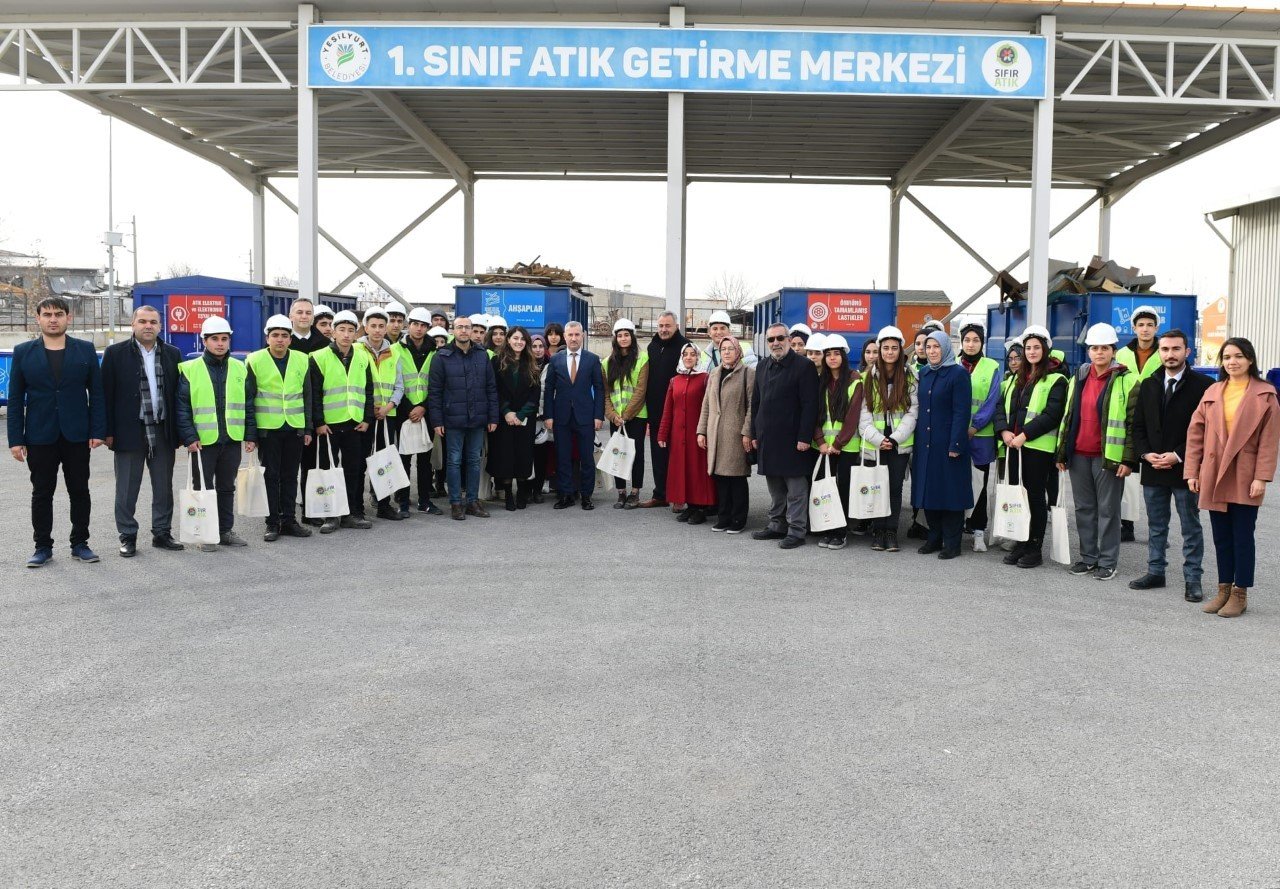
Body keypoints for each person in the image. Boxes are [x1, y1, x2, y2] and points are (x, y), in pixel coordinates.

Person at [1185, 337, 1280, 619]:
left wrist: (1261, 477)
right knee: (1221, 537)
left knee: (1242, 536)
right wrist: (1192, 470)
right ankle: (1224, 589)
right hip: (1214, 472)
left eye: (1238, 356)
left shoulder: (1266, 395)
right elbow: (1195, 434)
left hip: (1245, 473)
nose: (1232, 362)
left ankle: (1240, 592)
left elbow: (1269, 441)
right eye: (1227, 357)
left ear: (1250, 359)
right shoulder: (1213, 391)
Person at [8, 296, 106, 567]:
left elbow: (96, 394)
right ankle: (42, 547)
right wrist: (15, 439)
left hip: (77, 434)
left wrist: (98, 430)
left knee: (79, 490)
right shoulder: (23, 352)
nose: (53, 319)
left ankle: (80, 543)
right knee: (41, 493)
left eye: (59, 314)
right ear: (37, 318)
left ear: (68, 318)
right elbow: (16, 399)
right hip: (39, 435)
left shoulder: (85, 350)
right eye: (47, 314)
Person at [1129, 329, 1214, 600]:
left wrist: (1177, 455)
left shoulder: (1202, 386)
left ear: (1187, 352)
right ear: (1159, 352)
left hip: (1185, 469)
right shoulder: (1150, 384)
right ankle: (1156, 572)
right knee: (1156, 526)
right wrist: (1146, 454)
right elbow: (1138, 426)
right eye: (1164, 349)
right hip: (1153, 468)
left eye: (1176, 349)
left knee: (1190, 526)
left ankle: (1193, 579)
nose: (1170, 354)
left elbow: (1207, 431)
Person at [1055, 322, 1139, 581]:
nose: (1099, 352)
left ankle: (1107, 561)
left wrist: (1128, 459)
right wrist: (1062, 452)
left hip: (1108, 457)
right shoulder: (1078, 377)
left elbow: (1134, 423)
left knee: (1108, 510)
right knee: (1084, 508)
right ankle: (1088, 558)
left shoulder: (1128, 380)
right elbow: (1068, 416)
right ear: (1088, 351)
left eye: (1104, 348)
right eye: (1094, 348)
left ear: (1113, 350)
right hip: (1079, 453)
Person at [101, 305, 184, 557]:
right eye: (143, 321)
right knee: (127, 488)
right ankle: (127, 535)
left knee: (163, 487)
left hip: (162, 430)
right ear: (133, 325)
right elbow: (105, 395)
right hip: (129, 430)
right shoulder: (115, 354)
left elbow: (179, 396)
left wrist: (179, 432)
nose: (148, 326)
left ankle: (162, 532)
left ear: (160, 326)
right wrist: (107, 430)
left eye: (153, 322)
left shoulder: (173, 353)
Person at [176, 316, 257, 551]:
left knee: (226, 487)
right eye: (215, 339)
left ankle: (224, 531)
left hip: (231, 439)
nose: (220, 343)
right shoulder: (190, 370)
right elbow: (182, 407)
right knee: (203, 488)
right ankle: (206, 534)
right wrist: (189, 437)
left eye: (224, 339)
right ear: (204, 341)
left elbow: (249, 404)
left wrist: (250, 436)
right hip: (202, 442)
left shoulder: (240, 368)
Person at [993, 325, 1067, 569]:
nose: (1032, 351)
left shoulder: (1057, 379)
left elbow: (1052, 414)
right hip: (1014, 446)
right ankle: (1022, 542)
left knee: (1035, 498)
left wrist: (1024, 435)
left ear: (1046, 349)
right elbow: (1001, 407)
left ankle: (1035, 547)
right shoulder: (1015, 378)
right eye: (1028, 348)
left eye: (1037, 347)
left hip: (1038, 449)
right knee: (1019, 497)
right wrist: (1004, 431)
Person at [750, 322, 820, 548]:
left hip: (793, 440)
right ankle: (776, 525)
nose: (776, 343)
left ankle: (797, 530)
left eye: (780, 338)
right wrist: (754, 432)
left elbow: (810, 405)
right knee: (775, 487)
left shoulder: (804, 366)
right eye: (771, 340)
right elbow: (756, 403)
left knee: (796, 490)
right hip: (768, 438)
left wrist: (804, 437)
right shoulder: (762, 367)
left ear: (789, 340)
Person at [245, 314, 314, 541]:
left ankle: (289, 520)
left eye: (285, 336)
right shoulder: (254, 360)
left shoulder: (302, 360)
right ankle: (272, 522)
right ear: (267, 338)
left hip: (294, 427)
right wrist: (251, 434)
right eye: (275, 335)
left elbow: (307, 396)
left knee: (290, 475)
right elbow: (248, 399)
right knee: (271, 476)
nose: (280, 340)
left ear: (290, 339)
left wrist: (307, 429)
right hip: (268, 429)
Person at [309, 310, 374, 533]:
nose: (346, 335)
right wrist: (318, 422)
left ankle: (352, 513)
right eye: (341, 330)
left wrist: (367, 419)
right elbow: (314, 394)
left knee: (353, 470)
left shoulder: (363, 357)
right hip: (329, 425)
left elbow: (368, 390)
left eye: (351, 330)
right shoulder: (318, 357)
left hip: (355, 423)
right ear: (333, 332)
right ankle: (331, 514)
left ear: (356, 333)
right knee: (329, 470)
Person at [428, 314, 499, 520]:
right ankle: (456, 503)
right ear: (453, 331)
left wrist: (492, 417)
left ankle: (473, 502)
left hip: (477, 418)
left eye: (468, 327)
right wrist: (437, 420)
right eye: (460, 327)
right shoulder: (441, 356)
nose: (464, 331)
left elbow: (491, 388)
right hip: (452, 419)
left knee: (474, 461)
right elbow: (435, 392)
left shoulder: (482, 355)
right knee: (454, 461)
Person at [912, 330, 972, 559]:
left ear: (945, 348)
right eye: (929, 347)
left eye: (937, 347)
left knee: (950, 495)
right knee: (930, 493)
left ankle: (952, 543)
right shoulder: (925, 373)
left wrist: (956, 444)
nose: (932, 351)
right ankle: (934, 537)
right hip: (926, 445)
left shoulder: (958, 374)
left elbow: (961, 411)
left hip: (948, 444)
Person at [859, 326, 918, 553]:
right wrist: (877, 439)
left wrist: (893, 439)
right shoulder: (867, 378)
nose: (890, 352)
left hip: (898, 444)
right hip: (875, 444)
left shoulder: (911, 376)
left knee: (893, 489)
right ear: (880, 349)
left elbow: (913, 412)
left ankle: (891, 532)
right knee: (876, 487)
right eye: (886, 348)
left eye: (894, 348)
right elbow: (863, 414)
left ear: (900, 349)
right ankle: (878, 531)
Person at [544, 321, 605, 510]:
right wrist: (549, 415)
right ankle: (566, 495)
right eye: (570, 335)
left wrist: (598, 415)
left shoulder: (592, 359)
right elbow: (549, 390)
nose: (573, 338)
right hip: (561, 417)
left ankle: (586, 496)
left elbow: (599, 388)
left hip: (585, 417)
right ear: (565, 337)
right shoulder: (555, 360)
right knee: (563, 458)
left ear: (583, 336)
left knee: (586, 458)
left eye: (577, 335)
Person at [1115, 305, 1163, 542]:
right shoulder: (1122, 354)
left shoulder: (1164, 351)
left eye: (1150, 325)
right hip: (1129, 416)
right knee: (1129, 475)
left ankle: (1158, 529)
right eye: (1141, 325)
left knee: (1156, 480)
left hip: (1157, 418)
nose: (1145, 329)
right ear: (1133, 328)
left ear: (1156, 328)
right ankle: (1128, 524)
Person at [698, 335, 755, 534]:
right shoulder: (714, 373)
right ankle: (724, 517)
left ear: (738, 351)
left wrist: (747, 431)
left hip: (736, 433)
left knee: (736, 478)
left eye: (731, 348)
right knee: (720, 477)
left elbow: (751, 406)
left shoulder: (748, 373)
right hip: (715, 432)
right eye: (723, 349)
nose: (727, 352)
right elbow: (706, 404)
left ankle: (738, 519)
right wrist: (701, 430)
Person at [814, 335, 863, 550]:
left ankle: (840, 532)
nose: (832, 358)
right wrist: (821, 441)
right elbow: (812, 414)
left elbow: (853, 417)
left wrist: (838, 444)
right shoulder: (819, 381)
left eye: (836, 354)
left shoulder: (855, 380)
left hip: (846, 448)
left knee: (842, 491)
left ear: (843, 355)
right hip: (823, 448)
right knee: (826, 491)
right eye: (828, 354)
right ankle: (828, 529)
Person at [357, 307, 405, 521]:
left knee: (385, 461)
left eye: (381, 326)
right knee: (359, 462)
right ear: (365, 327)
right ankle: (356, 506)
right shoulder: (357, 350)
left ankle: (383, 504)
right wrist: (370, 410)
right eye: (373, 326)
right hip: (362, 416)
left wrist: (389, 406)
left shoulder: (395, 352)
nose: (377, 330)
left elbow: (399, 386)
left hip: (387, 416)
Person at [658, 343, 715, 524]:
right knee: (681, 470)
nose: (689, 357)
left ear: (698, 357)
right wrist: (662, 433)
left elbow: (710, 408)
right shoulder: (675, 381)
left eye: (693, 354)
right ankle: (689, 506)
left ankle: (700, 508)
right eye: (686, 354)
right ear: (682, 357)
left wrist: (705, 431)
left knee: (697, 471)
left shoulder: (705, 379)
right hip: (678, 436)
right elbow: (668, 410)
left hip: (697, 435)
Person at [640, 311, 692, 509]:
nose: (663, 329)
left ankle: (679, 495)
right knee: (658, 455)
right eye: (660, 326)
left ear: (676, 326)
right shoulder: (652, 347)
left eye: (667, 326)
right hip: (654, 413)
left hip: (677, 413)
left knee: (677, 456)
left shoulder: (684, 347)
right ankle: (660, 494)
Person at [394, 308, 442, 515]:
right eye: (415, 324)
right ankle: (403, 502)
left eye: (423, 325)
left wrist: (423, 407)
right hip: (403, 412)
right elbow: (393, 383)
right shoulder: (395, 349)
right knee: (403, 459)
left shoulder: (436, 351)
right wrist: (409, 409)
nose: (419, 328)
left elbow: (438, 384)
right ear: (408, 325)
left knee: (425, 460)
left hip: (426, 411)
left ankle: (425, 501)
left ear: (428, 328)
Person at [958, 322, 1001, 552]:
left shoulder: (992, 366)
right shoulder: (953, 364)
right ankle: (957, 526)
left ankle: (977, 531)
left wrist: (975, 426)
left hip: (981, 436)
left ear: (982, 342)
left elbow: (992, 400)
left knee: (980, 485)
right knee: (957, 482)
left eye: (975, 340)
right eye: (967, 340)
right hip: (956, 436)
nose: (971, 344)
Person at [488, 326, 541, 510]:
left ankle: (522, 492)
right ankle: (508, 494)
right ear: (508, 340)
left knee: (523, 455)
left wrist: (521, 414)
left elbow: (535, 393)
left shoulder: (532, 363)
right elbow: (493, 389)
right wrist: (506, 412)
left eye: (522, 339)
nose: (519, 342)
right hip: (504, 418)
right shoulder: (496, 361)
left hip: (525, 419)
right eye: (515, 338)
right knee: (506, 456)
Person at [602, 318, 650, 509]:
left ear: (632, 337)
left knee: (636, 455)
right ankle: (621, 493)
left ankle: (635, 493)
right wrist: (612, 415)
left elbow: (641, 390)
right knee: (618, 453)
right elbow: (606, 393)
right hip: (616, 418)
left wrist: (627, 415)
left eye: (626, 335)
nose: (623, 338)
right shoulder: (606, 363)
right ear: (615, 338)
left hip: (636, 416)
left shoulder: (642, 359)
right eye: (619, 335)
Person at [529, 333, 551, 503]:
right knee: (526, 456)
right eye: (534, 346)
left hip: (543, 419)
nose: (537, 350)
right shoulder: (524, 365)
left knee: (541, 456)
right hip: (526, 418)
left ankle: (537, 489)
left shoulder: (551, 366)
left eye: (540, 346)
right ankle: (526, 489)